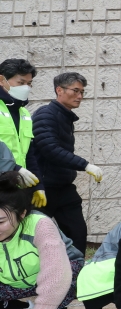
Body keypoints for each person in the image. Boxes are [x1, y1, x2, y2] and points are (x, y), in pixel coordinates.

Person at [0, 171, 84, 309]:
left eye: (1, 221)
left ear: (22, 214)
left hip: (56, 273)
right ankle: (16, 308)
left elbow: (56, 272)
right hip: (13, 284)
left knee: (70, 273)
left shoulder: (40, 225)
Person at [31, 72, 103, 255]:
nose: (80, 96)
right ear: (59, 90)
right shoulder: (45, 114)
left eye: (82, 92)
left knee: (77, 232)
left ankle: (76, 275)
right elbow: (50, 149)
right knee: (36, 236)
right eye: (75, 91)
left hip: (64, 186)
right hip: (43, 188)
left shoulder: (65, 116)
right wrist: (86, 165)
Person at [0, 59, 45, 209]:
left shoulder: (23, 112)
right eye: (21, 83)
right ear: (2, 80)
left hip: (16, 187)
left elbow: (29, 154)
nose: (26, 88)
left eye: (29, 83)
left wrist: (38, 185)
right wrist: (15, 168)